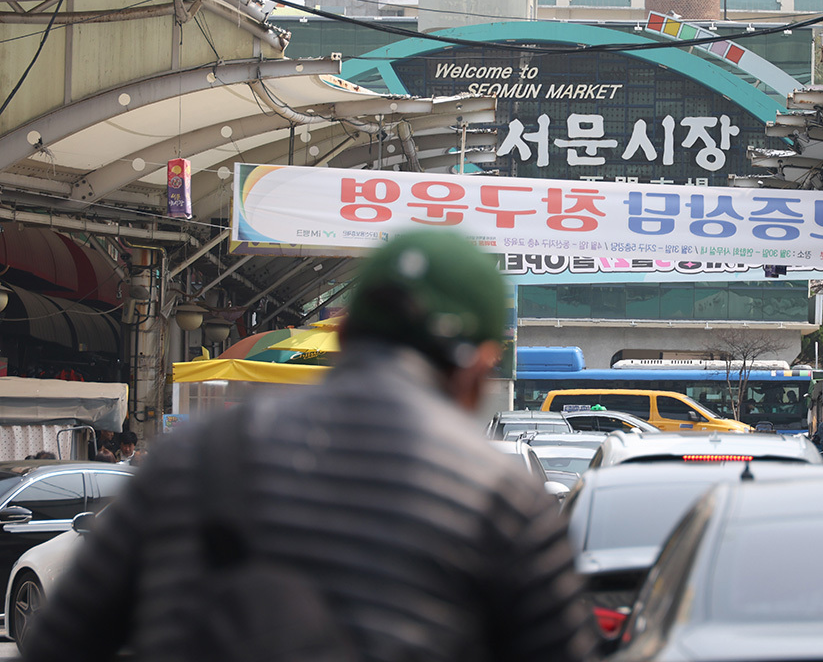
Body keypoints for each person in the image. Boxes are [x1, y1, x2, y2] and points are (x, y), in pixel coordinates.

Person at [23, 230, 596, 662]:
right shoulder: (504, 501)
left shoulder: (194, 458)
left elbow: (62, 640)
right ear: (479, 367)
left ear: (344, 333)